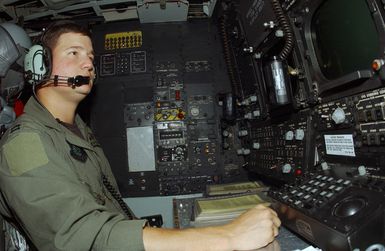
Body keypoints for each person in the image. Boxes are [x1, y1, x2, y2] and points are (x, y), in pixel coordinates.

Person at [0, 22, 281, 251]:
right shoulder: (24, 143)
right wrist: (228, 237)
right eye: (74, 53)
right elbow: (78, 238)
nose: (88, 64)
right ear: (39, 65)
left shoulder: (78, 130)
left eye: (90, 57)